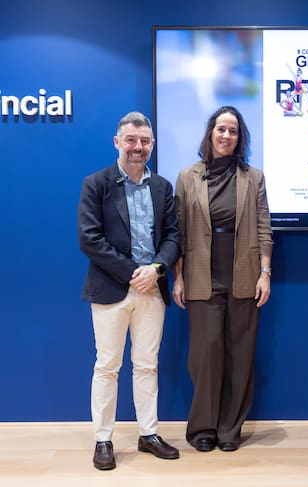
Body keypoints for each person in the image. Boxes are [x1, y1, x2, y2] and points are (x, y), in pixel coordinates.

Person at [78, 111, 181, 470]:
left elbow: (173, 236)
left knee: (147, 366)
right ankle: (103, 439)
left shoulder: (162, 187)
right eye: (131, 140)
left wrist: (156, 269)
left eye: (145, 141)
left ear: (152, 144)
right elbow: (89, 239)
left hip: (153, 289)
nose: (138, 147)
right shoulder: (96, 184)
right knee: (107, 366)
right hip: (111, 289)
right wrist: (132, 273)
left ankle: (148, 434)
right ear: (117, 142)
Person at [172, 105, 273, 453]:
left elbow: (264, 228)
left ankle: (230, 429)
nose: (226, 135)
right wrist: (178, 277)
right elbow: (178, 232)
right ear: (210, 133)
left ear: (239, 137)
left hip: (244, 272)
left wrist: (265, 273)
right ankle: (203, 427)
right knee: (205, 354)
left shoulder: (253, 177)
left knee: (240, 354)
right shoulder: (187, 177)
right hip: (201, 273)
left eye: (233, 130)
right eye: (221, 129)